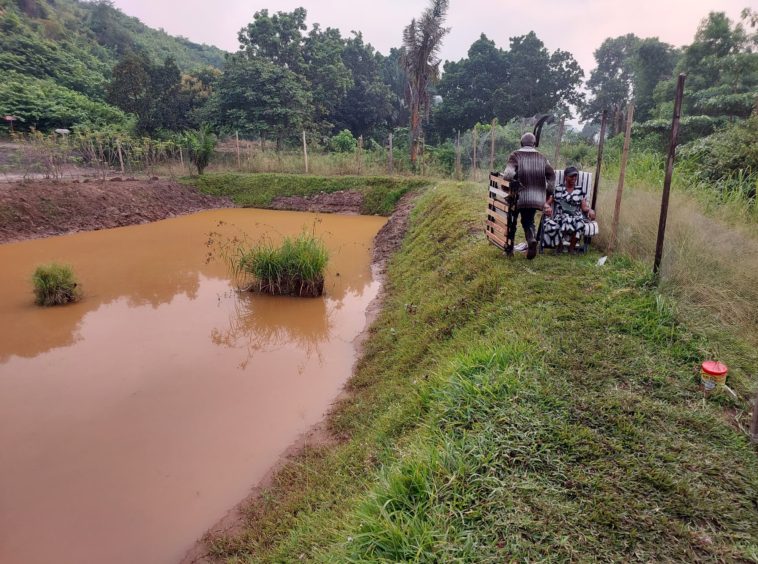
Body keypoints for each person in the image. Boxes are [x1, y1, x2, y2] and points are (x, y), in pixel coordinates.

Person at [502, 132, 555, 259]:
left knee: (512, 221)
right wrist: (548, 192)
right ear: (534, 144)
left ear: (521, 143)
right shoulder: (542, 157)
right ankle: (531, 239)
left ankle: (509, 250)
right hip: (535, 198)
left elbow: (508, 175)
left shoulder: (515, 155)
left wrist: (510, 181)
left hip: (518, 196)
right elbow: (551, 175)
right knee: (528, 221)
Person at [543, 166, 597, 253]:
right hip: (560, 214)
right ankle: (559, 245)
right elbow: (547, 203)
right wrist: (547, 207)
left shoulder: (579, 190)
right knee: (558, 222)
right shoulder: (558, 189)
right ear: (565, 177)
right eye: (571, 176)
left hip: (575, 215)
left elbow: (584, 207)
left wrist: (590, 210)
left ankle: (571, 248)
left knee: (580, 223)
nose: (574, 178)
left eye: (575, 176)